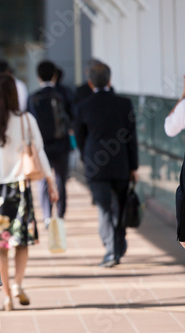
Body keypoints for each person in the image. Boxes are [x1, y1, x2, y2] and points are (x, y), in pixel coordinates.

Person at [0, 74, 58, 311]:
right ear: (14, 94)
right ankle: (17, 284)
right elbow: (40, 152)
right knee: (21, 242)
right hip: (20, 189)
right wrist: (51, 182)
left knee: (1, 246)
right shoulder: (25, 119)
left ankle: (5, 296)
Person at [75, 62, 139, 268]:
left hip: (96, 164)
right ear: (110, 81)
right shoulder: (124, 104)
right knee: (119, 208)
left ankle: (112, 250)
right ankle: (117, 245)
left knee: (104, 209)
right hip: (121, 164)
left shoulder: (83, 106)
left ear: (90, 82)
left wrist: (86, 159)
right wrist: (134, 167)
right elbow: (131, 138)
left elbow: (80, 137)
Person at [28, 60, 74, 228]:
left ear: (38, 76)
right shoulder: (64, 94)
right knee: (61, 179)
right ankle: (60, 215)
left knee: (43, 180)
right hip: (62, 144)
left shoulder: (32, 97)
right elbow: (72, 117)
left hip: (41, 146)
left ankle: (47, 216)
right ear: (54, 75)